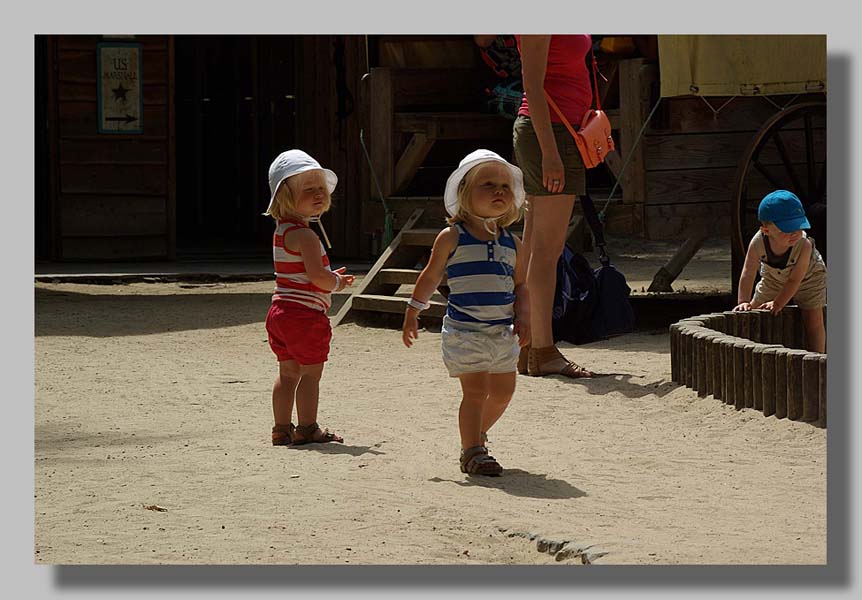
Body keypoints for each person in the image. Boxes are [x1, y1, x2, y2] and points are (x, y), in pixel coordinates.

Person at [401, 149, 530, 476]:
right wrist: (414, 309)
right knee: (475, 391)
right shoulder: (452, 236)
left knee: (504, 392)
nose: (499, 190)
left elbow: (522, 286)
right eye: (488, 184)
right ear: (463, 195)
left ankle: (475, 436)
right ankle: (472, 451)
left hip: (502, 332)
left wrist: (525, 317)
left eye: (505, 185)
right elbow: (430, 275)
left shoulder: (514, 243)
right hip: (466, 332)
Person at [512, 34, 595, 378]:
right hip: (552, 134)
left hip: (564, 132)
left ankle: (529, 345)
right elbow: (532, 83)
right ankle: (544, 350)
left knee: (535, 244)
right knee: (548, 248)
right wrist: (550, 153)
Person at [262, 149, 355, 446]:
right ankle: (307, 428)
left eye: (320, 189)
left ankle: (280, 428)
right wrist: (337, 281)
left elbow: (302, 273)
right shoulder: (307, 236)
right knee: (310, 375)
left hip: (280, 313)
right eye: (309, 190)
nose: (318, 194)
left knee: (287, 373)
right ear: (286, 197)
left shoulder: (282, 231)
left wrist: (326, 274)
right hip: (305, 316)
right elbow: (318, 279)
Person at [733, 190, 827, 353]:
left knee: (813, 319)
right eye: (787, 230)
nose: (794, 233)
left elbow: (794, 280)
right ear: (766, 230)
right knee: (753, 311)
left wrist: (777, 303)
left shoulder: (804, 245)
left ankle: (817, 358)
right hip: (773, 279)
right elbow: (748, 273)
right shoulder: (757, 244)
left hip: (809, 279)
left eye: (798, 227)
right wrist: (743, 301)